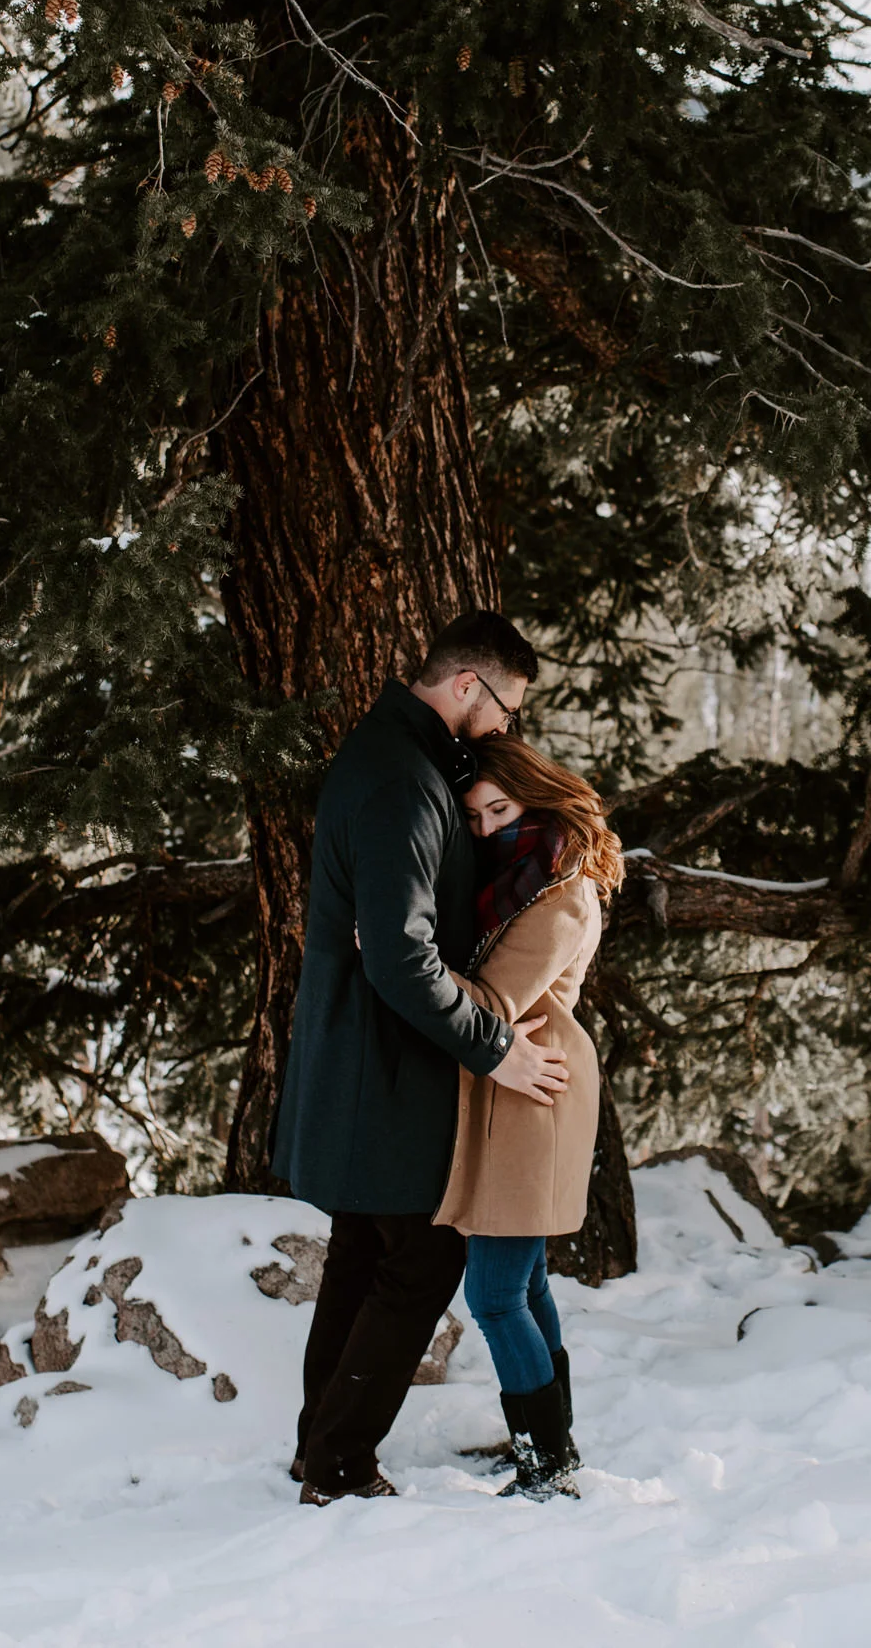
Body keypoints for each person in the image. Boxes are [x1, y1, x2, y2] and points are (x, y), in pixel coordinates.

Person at [274, 611, 573, 1506]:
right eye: (507, 707)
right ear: (467, 685)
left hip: (373, 1052)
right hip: (386, 1064)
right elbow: (402, 959)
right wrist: (496, 1050)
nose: (507, 726)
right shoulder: (403, 778)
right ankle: (337, 1465)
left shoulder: (397, 759)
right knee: (421, 1259)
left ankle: (321, 1451)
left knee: (365, 1253)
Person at [434, 736, 622, 1500]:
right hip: (516, 1086)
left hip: (533, 1092)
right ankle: (550, 1438)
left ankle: (547, 1460)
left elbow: (491, 1003)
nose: (485, 829)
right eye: (474, 817)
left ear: (535, 798)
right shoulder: (521, 876)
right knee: (527, 1281)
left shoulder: (559, 893)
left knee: (494, 1295)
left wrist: (399, 956)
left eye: (500, 810)